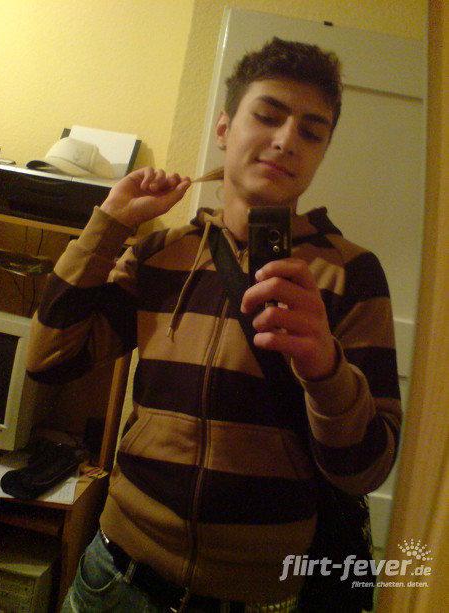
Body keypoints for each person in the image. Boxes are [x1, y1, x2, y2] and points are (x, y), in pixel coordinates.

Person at [26, 38, 401, 612]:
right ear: (224, 128)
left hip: (261, 595)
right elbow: (49, 360)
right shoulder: (159, 255)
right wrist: (108, 225)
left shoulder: (352, 275)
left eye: (311, 133)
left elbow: (366, 469)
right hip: (117, 573)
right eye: (268, 116)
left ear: (322, 152)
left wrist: (326, 370)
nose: (286, 140)